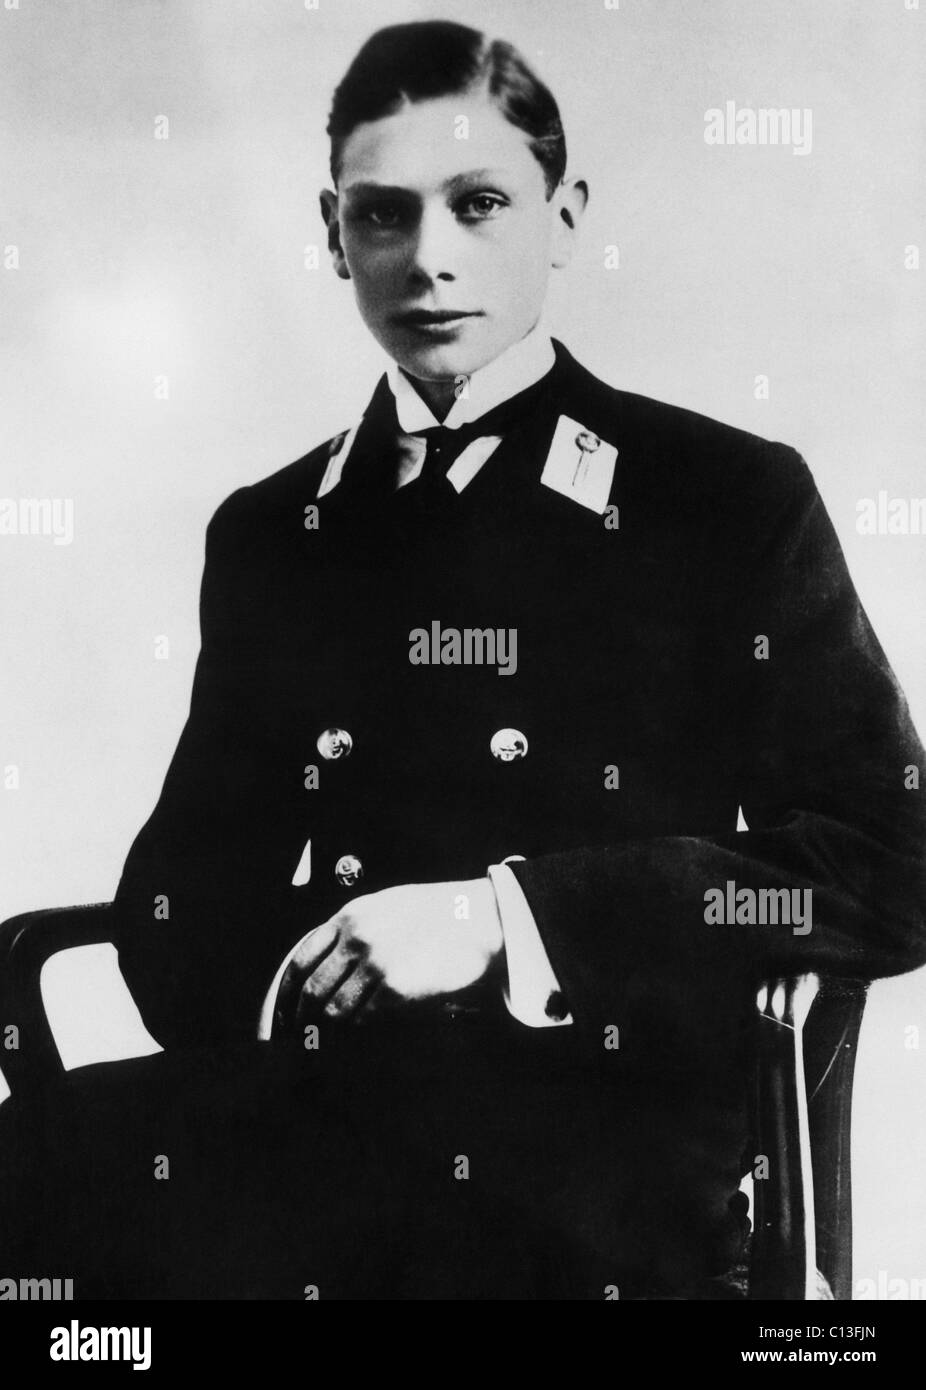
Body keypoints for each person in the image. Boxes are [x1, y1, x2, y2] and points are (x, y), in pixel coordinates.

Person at [2, 19, 925, 1300]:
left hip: (599, 1136)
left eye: (478, 204)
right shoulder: (276, 531)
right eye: (383, 215)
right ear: (333, 234)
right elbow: (181, 888)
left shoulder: (719, 501)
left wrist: (505, 920)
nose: (428, 260)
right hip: (316, 1109)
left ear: (562, 215)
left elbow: (892, 857)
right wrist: (299, 974)